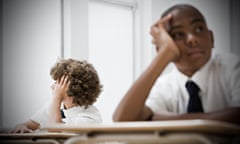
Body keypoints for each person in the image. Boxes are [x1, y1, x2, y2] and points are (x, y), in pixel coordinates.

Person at [113, 4, 240, 125]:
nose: (192, 39)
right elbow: (123, 119)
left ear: (211, 38)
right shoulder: (164, 86)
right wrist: (164, 55)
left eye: (198, 29)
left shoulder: (233, 67)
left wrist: (171, 119)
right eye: (178, 34)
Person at [11, 58, 103, 133]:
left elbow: (54, 131)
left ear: (69, 86)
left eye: (57, 83)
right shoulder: (56, 105)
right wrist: (21, 127)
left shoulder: (90, 118)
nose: (52, 87)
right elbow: (27, 124)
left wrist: (57, 96)